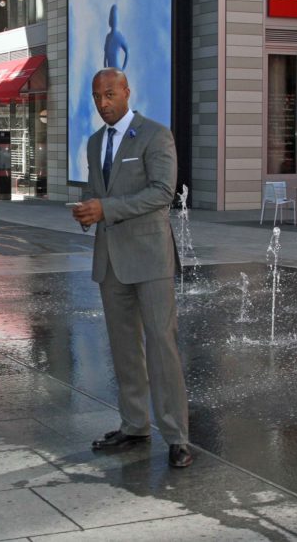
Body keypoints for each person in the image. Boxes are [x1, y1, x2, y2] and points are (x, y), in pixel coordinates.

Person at [71, 67, 192, 469]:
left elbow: (162, 193)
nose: (103, 103)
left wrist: (107, 209)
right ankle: (135, 425)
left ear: (126, 91)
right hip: (110, 260)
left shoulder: (155, 135)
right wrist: (88, 210)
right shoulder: (93, 144)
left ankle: (176, 436)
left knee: (162, 346)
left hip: (151, 258)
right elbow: (96, 191)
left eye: (109, 94)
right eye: (96, 96)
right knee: (124, 349)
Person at [102, 4, 129, 70]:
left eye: (115, 18)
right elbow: (105, 57)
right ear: (110, 20)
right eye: (112, 18)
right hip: (109, 72)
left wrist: (123, 69)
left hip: (117, 70)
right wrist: (105, 71)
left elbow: (127, 52)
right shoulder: (108, 37)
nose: (113, 20)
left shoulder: (119, 37)